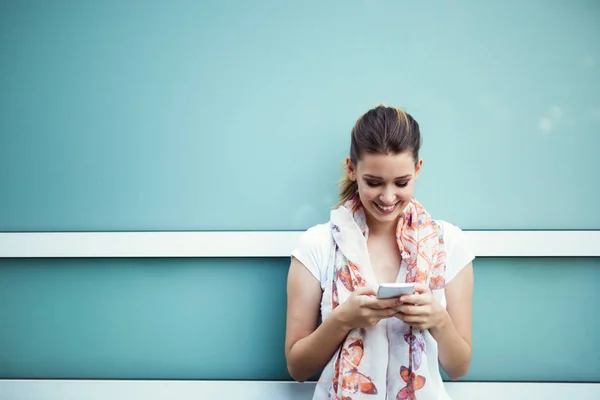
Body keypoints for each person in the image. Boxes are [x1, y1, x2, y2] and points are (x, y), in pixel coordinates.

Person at [284, 105, 475, 400]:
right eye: (374, 183)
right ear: (352, 169)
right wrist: (343, 320)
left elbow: (459, 366)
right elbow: (297, 368)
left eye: (401, 183)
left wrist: (438, 320)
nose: (387, 197)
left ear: (418, 170)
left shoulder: (448, 243)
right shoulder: (318, 245)